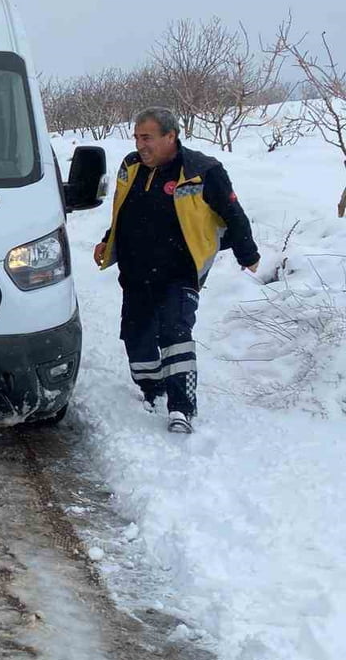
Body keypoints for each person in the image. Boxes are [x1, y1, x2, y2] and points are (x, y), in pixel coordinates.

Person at [94, 107, 259, 435]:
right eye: (137, 137)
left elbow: (233, 213)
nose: (140, 145)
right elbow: (124, 211)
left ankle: (181, 406)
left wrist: (248, 254)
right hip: (136, 270)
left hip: (180, 271)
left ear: (171, 136)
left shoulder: (202, 171)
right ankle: (152, 389)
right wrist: (107, 240)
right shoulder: (131, 165)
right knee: (137, 337)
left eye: (147, 138)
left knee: (175, 331)